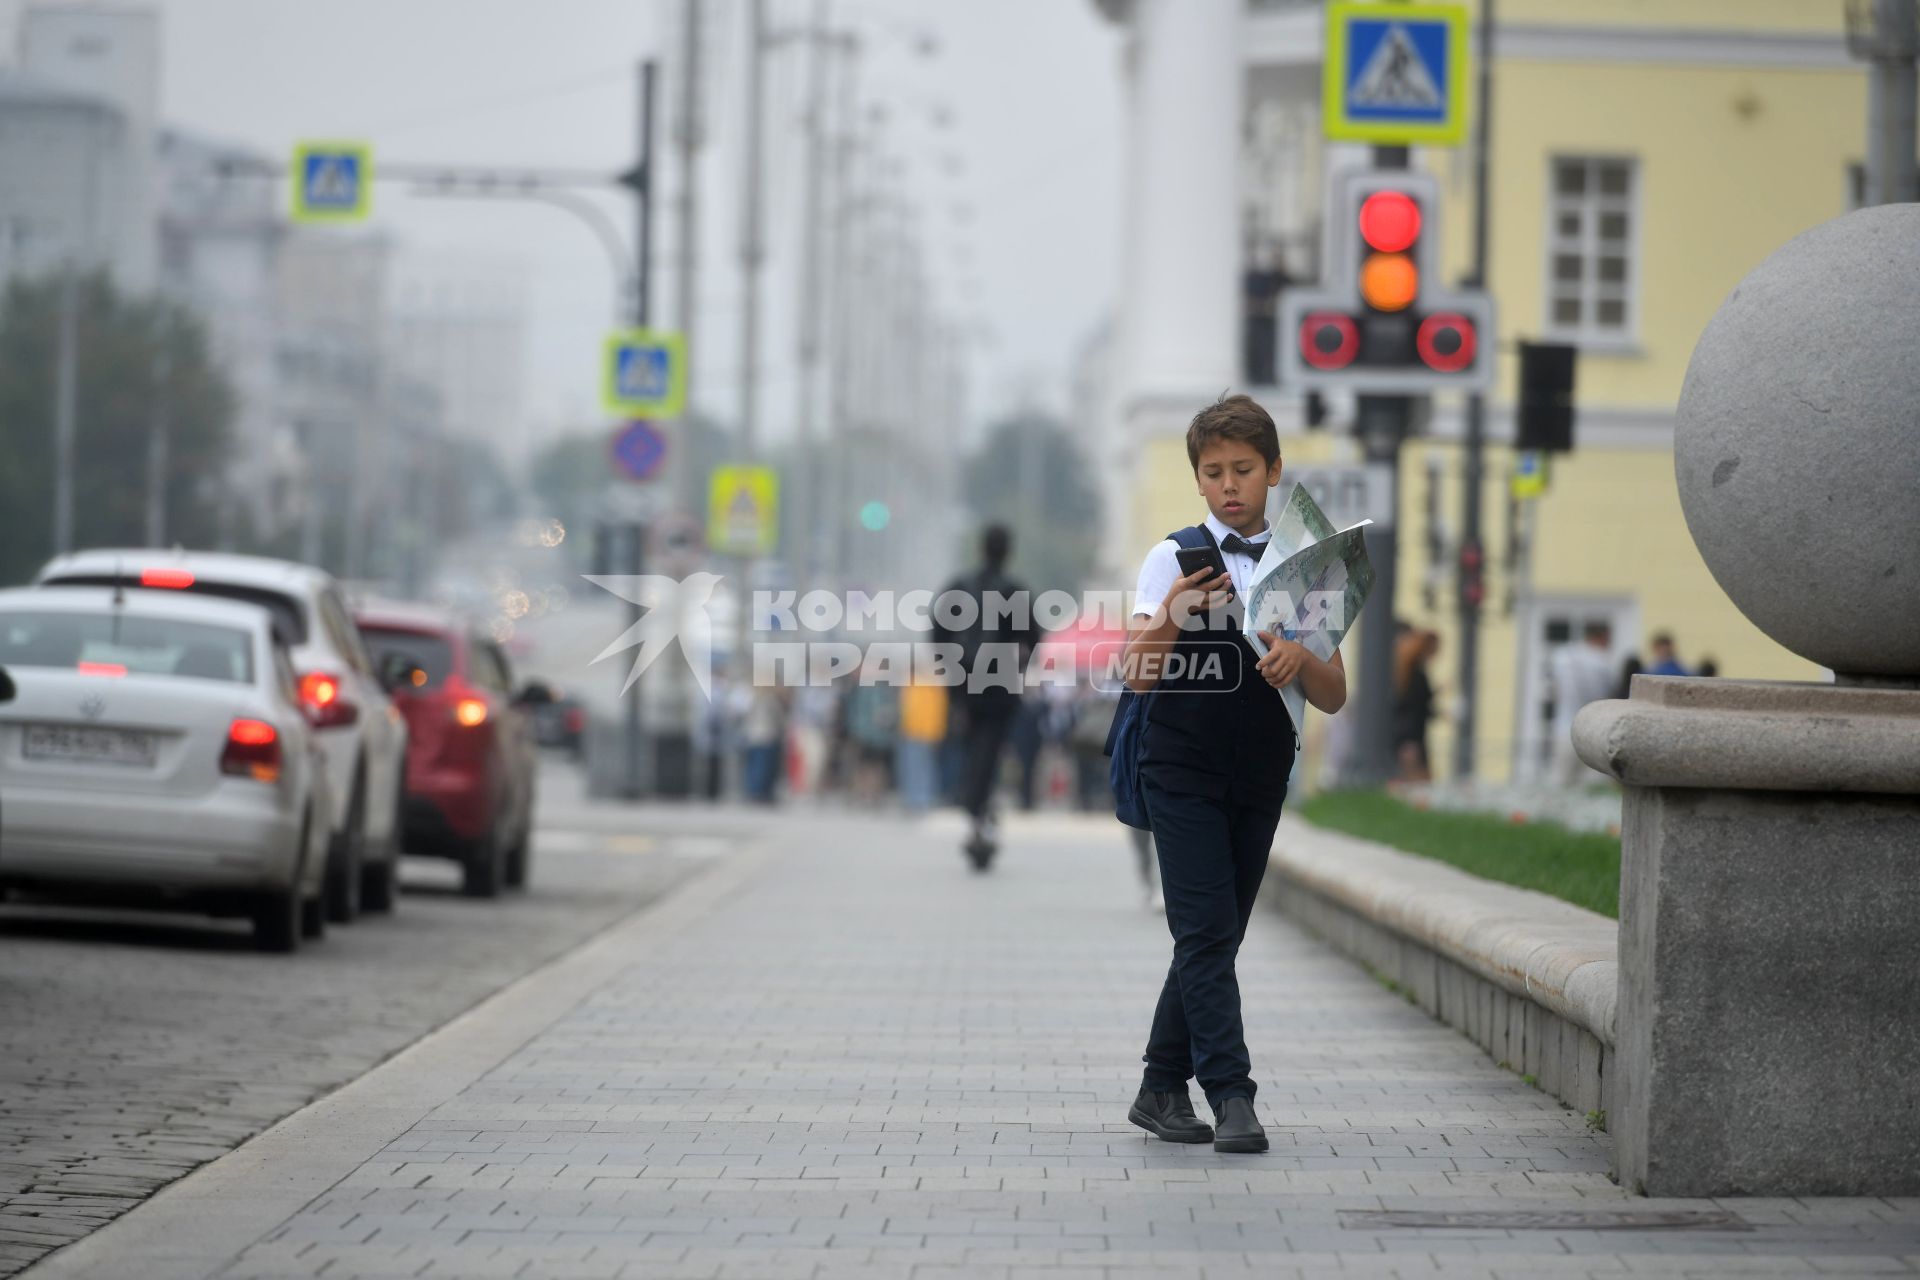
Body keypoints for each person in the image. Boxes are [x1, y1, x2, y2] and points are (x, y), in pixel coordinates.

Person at [1122, 394, 1349, 1156]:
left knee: (1214, 939)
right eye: (1213, 472)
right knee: (1208, 932)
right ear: (1197, 480)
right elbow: (1136, 673)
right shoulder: (1171, 557)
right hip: (1179, 764)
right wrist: (1174, 613)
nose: (1229, 484)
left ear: (1275, 471)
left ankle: (1159, 1086)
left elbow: (1335, 692)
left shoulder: (1308, 561)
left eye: (1243, 470)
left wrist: (1301, 657)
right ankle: (1232, 1094)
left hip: (1260, 771)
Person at [933, 524, 1041, 870]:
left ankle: (975, 808)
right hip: (1001, 688)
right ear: (1008, 551)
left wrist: (950, 676)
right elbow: (1034, 639)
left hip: (964, 688)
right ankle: (979, 808)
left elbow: (936, 636)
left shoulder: (958, 588)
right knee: (990, 751)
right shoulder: (1014, 591)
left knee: (971, 750)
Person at [1550, 621, 1616, 785]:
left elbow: (1553, 689)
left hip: (1564, 728)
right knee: (1592, 786)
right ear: (1601, 637)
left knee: (1561, 781)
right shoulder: (1601, 661)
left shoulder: (1563, 655)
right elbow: (1608, 695)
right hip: (1595, 731)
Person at [1391, 628, 1440, 783]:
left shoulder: (1407, 673)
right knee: (1417, 782)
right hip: (1412, 736)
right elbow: (1417, 706)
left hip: (1408, 735)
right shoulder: (1417, 675)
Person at [895, 672, 948, 812]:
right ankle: (915, 798)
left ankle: (922, 798)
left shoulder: (929, 684)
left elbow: (936, 710)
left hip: (921, 731)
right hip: (913, 730)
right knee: (914, 766)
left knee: (922, 766)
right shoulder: (915, 683)